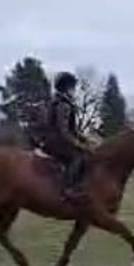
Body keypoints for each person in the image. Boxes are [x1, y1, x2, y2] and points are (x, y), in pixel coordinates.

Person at [41, 71, 91, 200]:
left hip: (58, 139)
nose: (74, 91)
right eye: (73, 88)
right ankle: (67, 189)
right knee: (77, 157)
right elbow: (64, 132)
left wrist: (85, 139)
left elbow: (73, 129)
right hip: (55, 141)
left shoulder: (63, 102)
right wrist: (79, 145)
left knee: (86, 153)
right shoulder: (63, 105)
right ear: (66, 88)